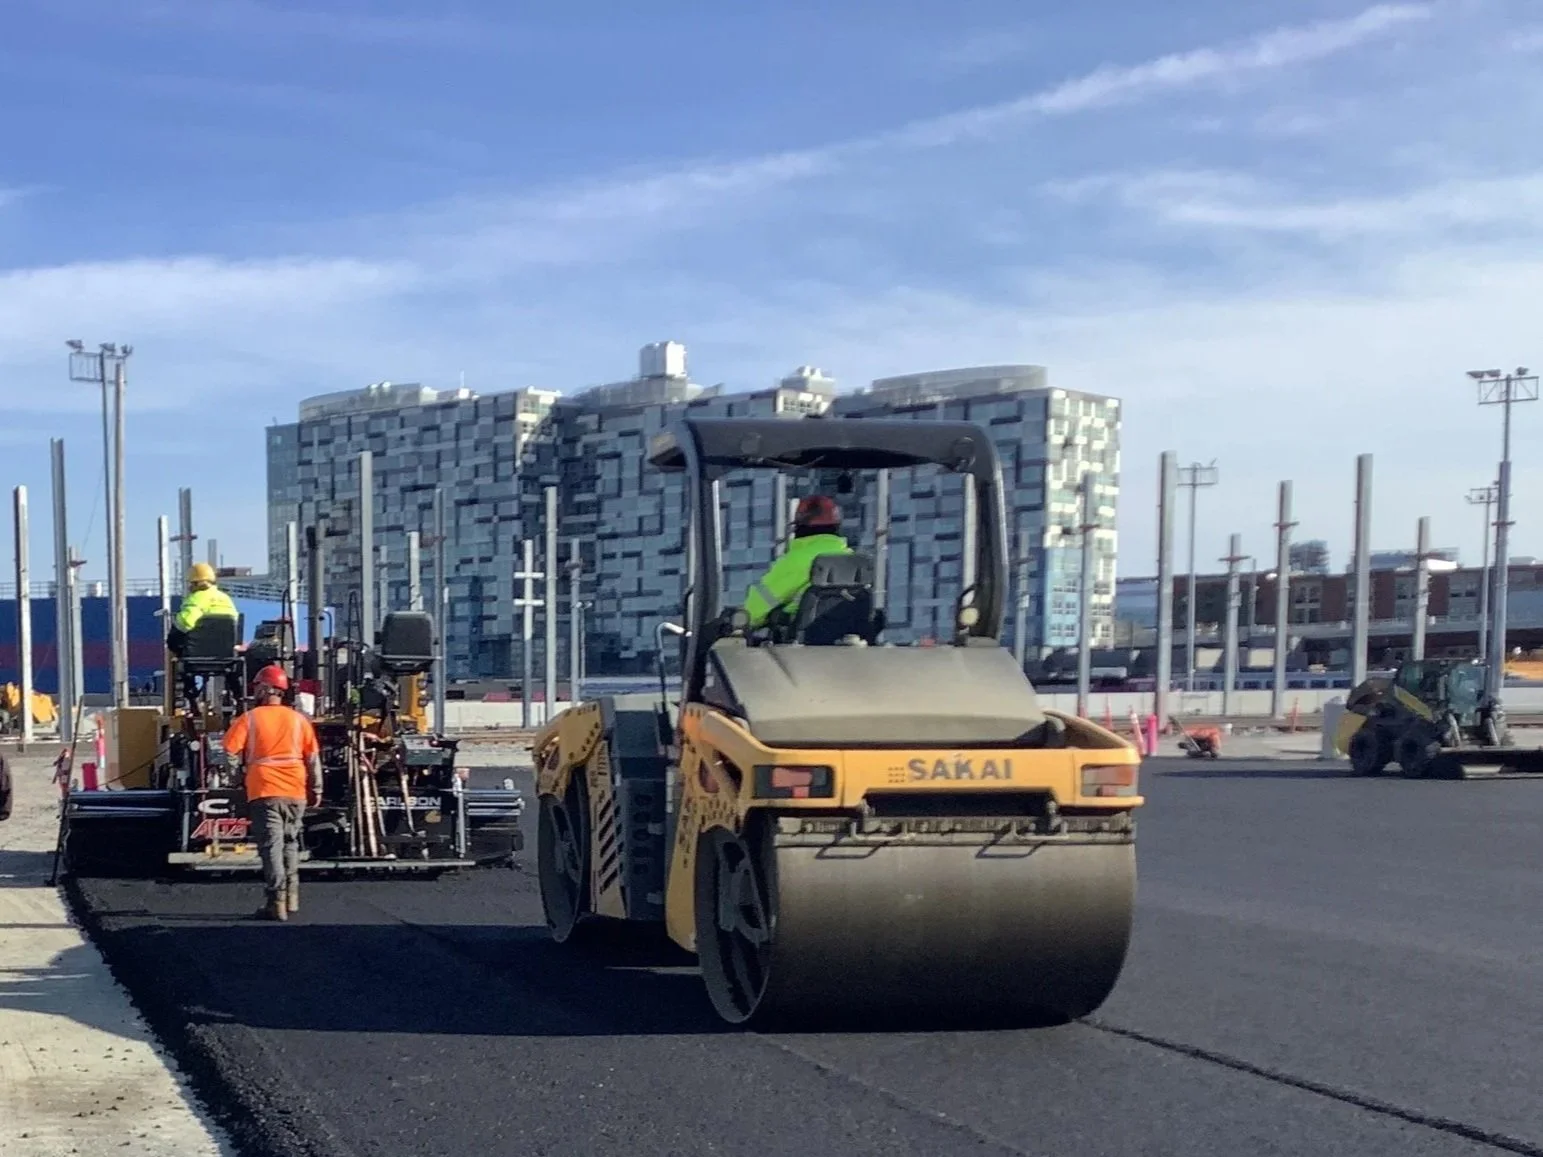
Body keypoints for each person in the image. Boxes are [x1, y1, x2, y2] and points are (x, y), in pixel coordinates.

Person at [223, 664, 321, 922]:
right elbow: (313, 759)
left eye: (257, 687)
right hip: (296, 791)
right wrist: (317, 788)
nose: (255, 691)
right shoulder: (300, 721)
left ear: (265, 689)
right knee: (290, 842)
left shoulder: (250, 718)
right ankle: (292, 898)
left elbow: (230, 751)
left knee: (271, 847)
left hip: (265, 789)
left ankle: (275, 901)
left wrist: (235, 778)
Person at [743, 494, 853, 629]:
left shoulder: (795, 561)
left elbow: (753, 612)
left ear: (800, 527)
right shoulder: (852, 559)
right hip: (851, 643)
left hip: (800, 643)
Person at [166, 562, 240, 709]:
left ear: (195, 583)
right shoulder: (226, 599)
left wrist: (172, 636)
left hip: (196, 657)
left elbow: (186, 623)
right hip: (225, 658)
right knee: (232, 669)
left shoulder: (196, 599)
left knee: (174, 646)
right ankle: (238, 697)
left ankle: (190, 694)